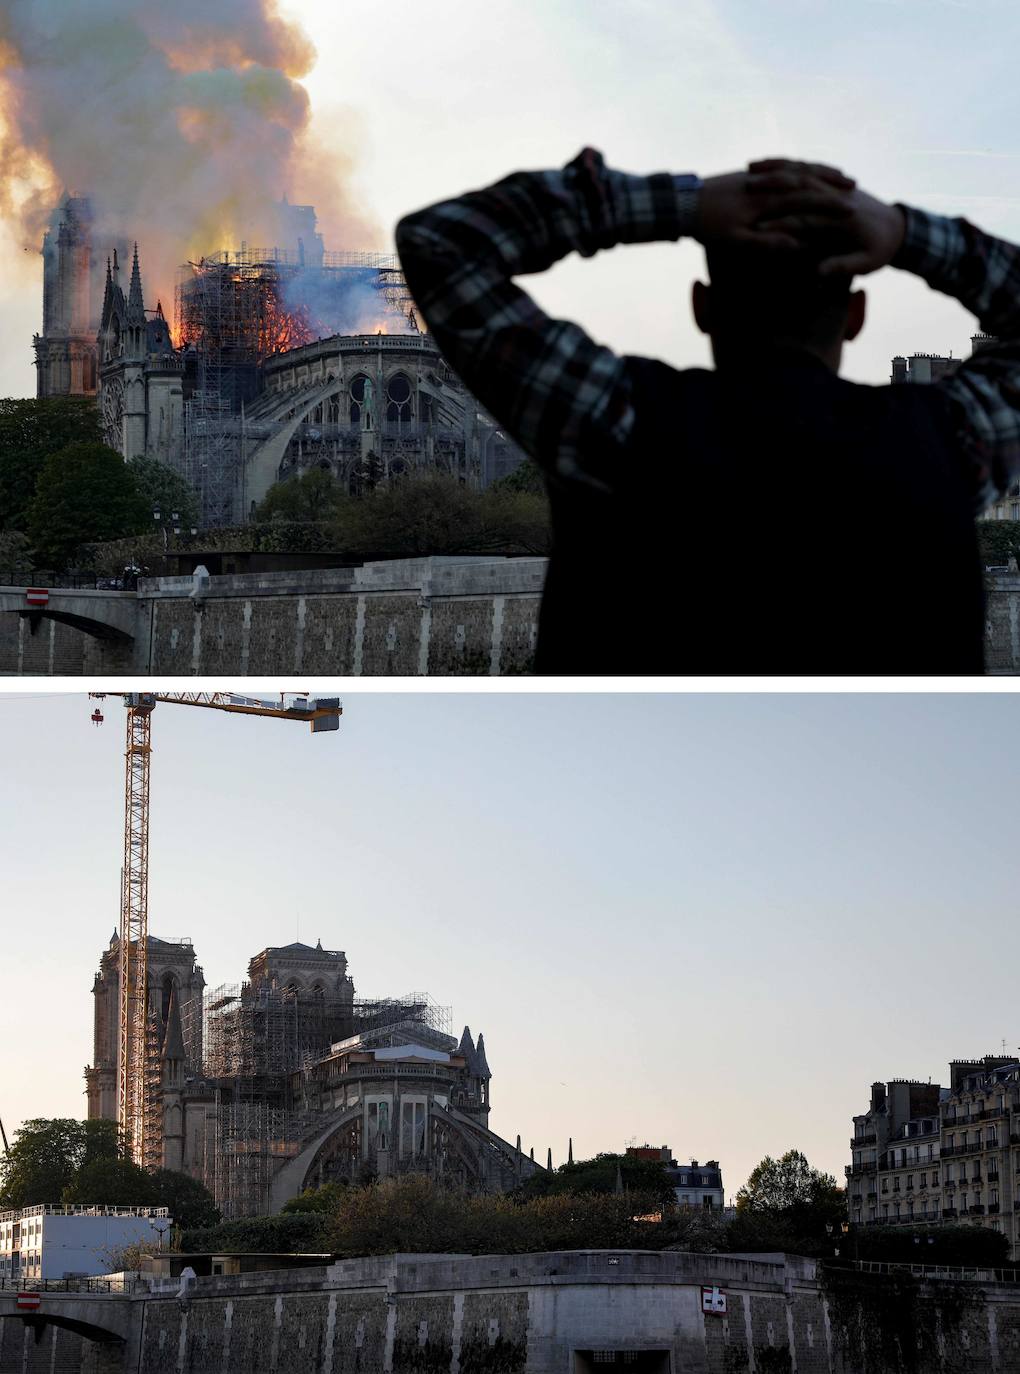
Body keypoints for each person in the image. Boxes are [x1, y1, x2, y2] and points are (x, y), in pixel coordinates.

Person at [396, 151, 1020, 675]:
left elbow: (442, 241)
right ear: (856, 316)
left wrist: (682, 205)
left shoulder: (614, 419)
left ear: (701, 306)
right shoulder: (952, 441)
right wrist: (905, 234)